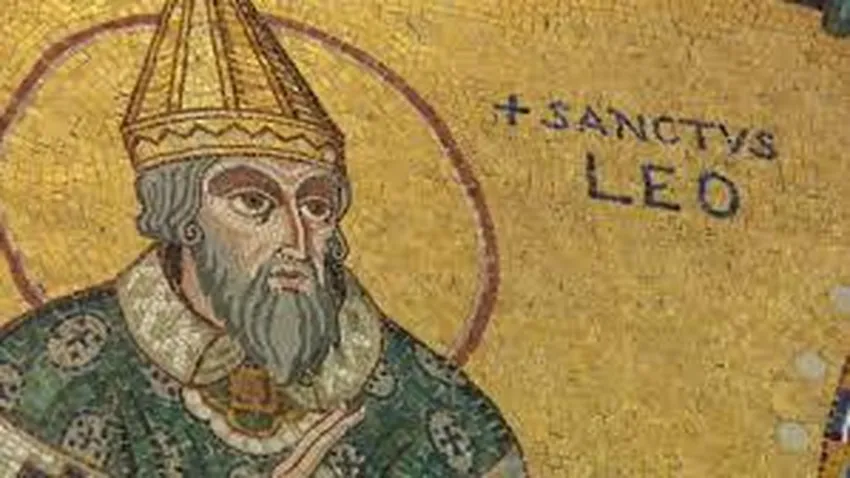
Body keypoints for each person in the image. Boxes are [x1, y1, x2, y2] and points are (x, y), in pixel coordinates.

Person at [0, 0, 525, 476]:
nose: (297, 239)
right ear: (182, 217)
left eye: (317, 206)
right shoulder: (42, 380)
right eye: (254, 202)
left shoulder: (439, 412)